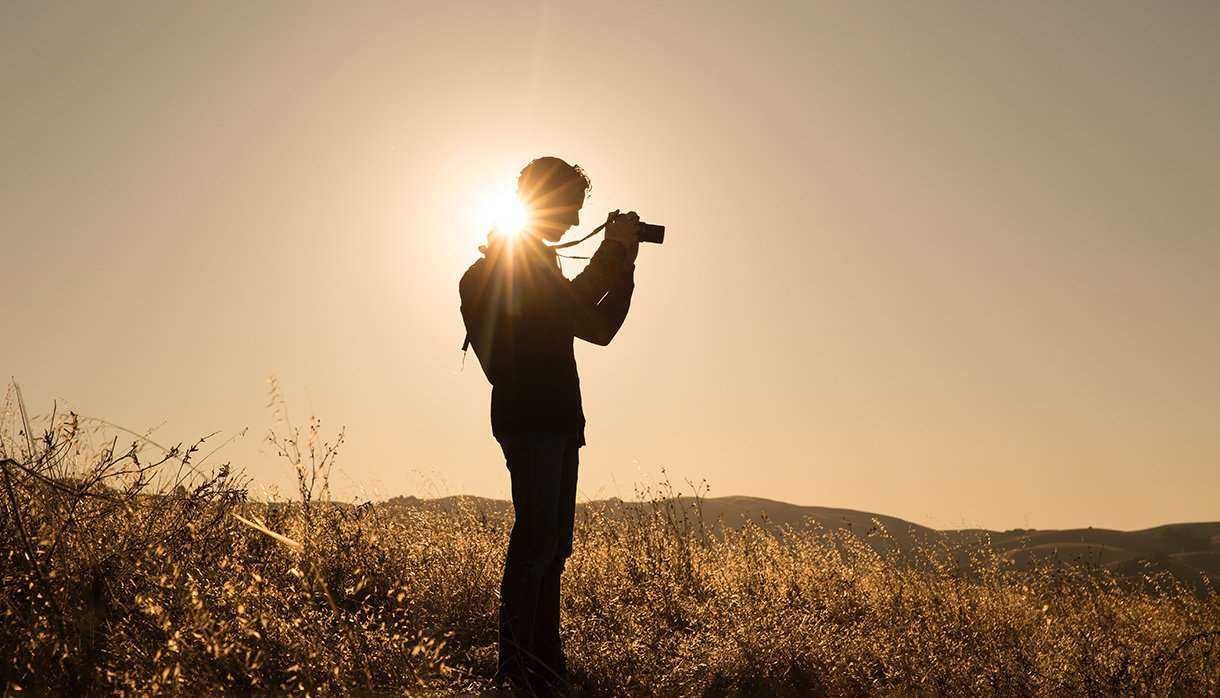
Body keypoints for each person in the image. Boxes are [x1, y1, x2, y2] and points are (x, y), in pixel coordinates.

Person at [459, 156, 640, 695]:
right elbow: (571, 307)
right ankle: (516, 668)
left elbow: (597, 326)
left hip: (558, 417)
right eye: (569, 209)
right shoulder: (508, 264)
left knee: (553, 547)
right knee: (536, 541)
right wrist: (613, 251)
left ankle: (543, 667)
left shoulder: (538, 264)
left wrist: (623, 263)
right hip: (532, 415)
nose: (570, 222)